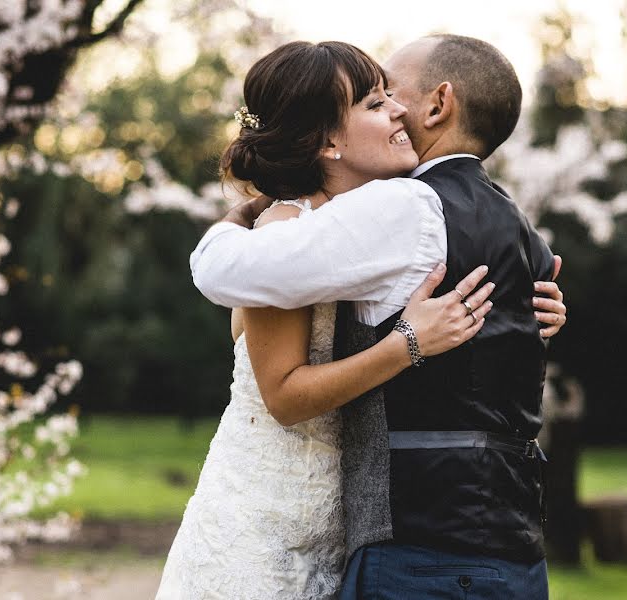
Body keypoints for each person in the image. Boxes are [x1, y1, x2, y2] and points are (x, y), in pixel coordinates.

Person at [158, 40, 565, 600]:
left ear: (439, 105)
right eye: (376, 103)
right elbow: (276, 378)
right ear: (327, 139)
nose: (394, 111)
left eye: (389, 94)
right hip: (273, 514)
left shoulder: (393, 214)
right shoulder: (308, 229)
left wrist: (523, 313)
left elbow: (227, 270)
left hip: (356, 523)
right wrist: (407, 344)